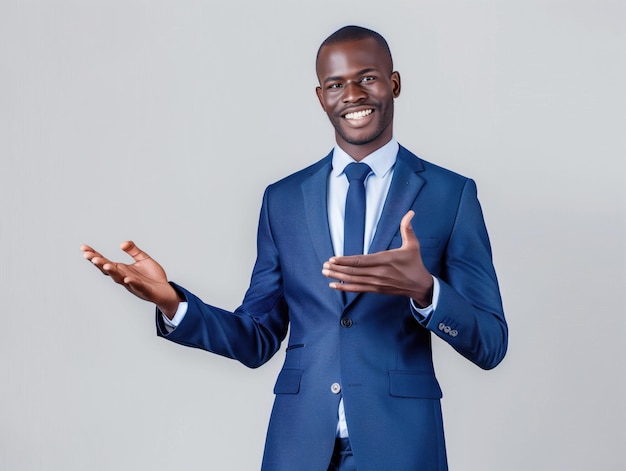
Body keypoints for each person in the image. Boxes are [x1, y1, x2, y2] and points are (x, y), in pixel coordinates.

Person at [82, 25, 507, 471]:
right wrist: (174, 303)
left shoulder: (450, 194)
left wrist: (427, 292)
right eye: (336, 84)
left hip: (402, 447)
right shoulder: (282, 199)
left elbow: (492, 343)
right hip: (298, 448)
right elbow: (258, 337)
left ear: (394, 83)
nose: (353, 95)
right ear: (321, 96)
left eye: (367, 78)